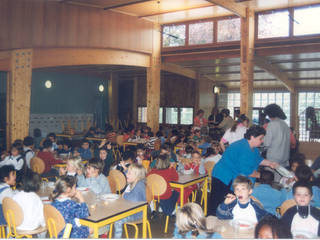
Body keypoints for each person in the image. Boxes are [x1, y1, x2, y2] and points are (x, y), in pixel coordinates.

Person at [208, 125, 279, 216]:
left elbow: (258, 159)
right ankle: (211, 223)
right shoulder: (242, 147)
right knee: (218, 204)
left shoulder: (253, 149)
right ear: (252, 137)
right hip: (223, 176)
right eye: (260, 139)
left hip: (231, 175)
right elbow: (247, 171)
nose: (262, 141)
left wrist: (270, 163)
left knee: (229, 204)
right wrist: (262, 176)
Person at [113, 164, 146, 238]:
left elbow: (134, 199)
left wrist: (125, 195)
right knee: (111, 214)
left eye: (129, 173)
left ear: (137, 176)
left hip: (137, 213)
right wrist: (125, 169)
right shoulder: (134, 181)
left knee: (118, 220)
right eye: (127, 172)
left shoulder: (139, 185)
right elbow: (127, 173)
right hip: (129, 209)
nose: (126, 174)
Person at [263, 104, 290, 170]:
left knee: (270, 178)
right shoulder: (285, 124)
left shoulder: (272, 124)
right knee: (280, 179)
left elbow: (266, 143)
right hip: (284, 157)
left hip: (274, 158)